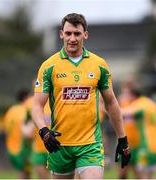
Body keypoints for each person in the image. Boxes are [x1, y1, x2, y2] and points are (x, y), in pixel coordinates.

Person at [32, 13, 131, 179]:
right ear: (61, 34)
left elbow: (111, 103)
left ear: (85, 35)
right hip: (59, 145)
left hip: (90, 145)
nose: (72, 38)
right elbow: (36, 105)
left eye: (77, 33)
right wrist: (44, 131)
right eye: (68, 33)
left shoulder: (99, 65)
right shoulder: (49, 66)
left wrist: (122, 138)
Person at [119, 85, 156, 179]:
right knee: (148, 175)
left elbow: (125, 112)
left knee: (143, 175)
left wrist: (108, 107)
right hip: (151, 143)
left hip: (147, 145)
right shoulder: (149, 102)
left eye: (127, 95)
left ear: (133, 96)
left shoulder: (140, 104)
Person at [4, 89, 32, 179]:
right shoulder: (23, 110)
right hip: (21, 149)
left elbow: (6, 130)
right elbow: (25, 131)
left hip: (11, 148)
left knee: (23, 172)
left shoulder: (11, 110)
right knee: (24, 174)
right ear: (26, 98)